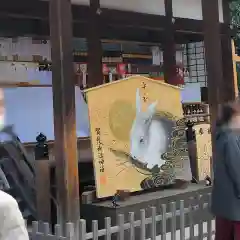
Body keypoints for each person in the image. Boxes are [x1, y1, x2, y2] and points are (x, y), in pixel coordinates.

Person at [212, 101, 240, 240]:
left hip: (223, 202)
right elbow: (237, 170)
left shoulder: (220, 136)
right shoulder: (231, 139)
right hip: (235, 203)